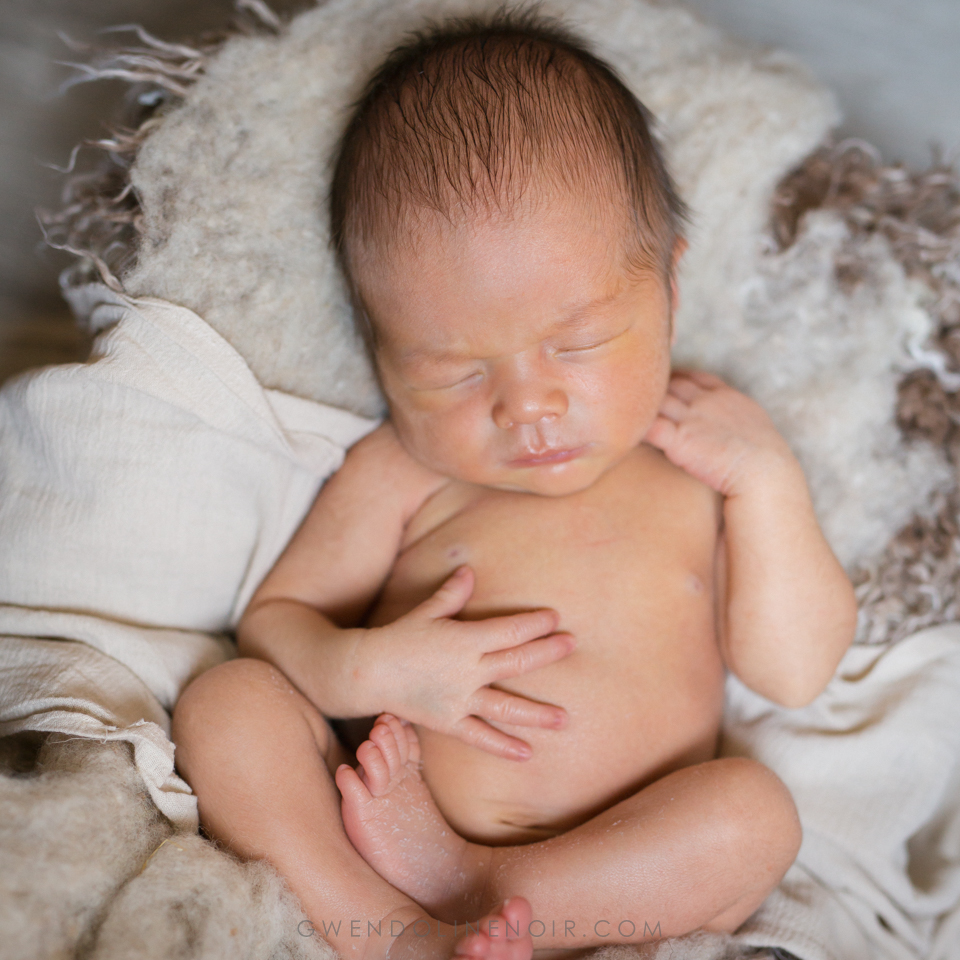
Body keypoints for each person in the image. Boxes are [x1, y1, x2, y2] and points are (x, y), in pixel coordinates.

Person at [172, 11, 857, 960]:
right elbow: (277, 622)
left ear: (668, 288)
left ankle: (469, 888)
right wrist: (373, 670)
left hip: (625, 873)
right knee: (228, 706)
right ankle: (389, 932)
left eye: (574, 346)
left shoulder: (698, 454)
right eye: (454, 371)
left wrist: (768, 482)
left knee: (754, 816)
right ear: (379, 349)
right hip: (380, 828)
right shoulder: (405, 467)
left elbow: (793, 669)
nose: (526, 407)